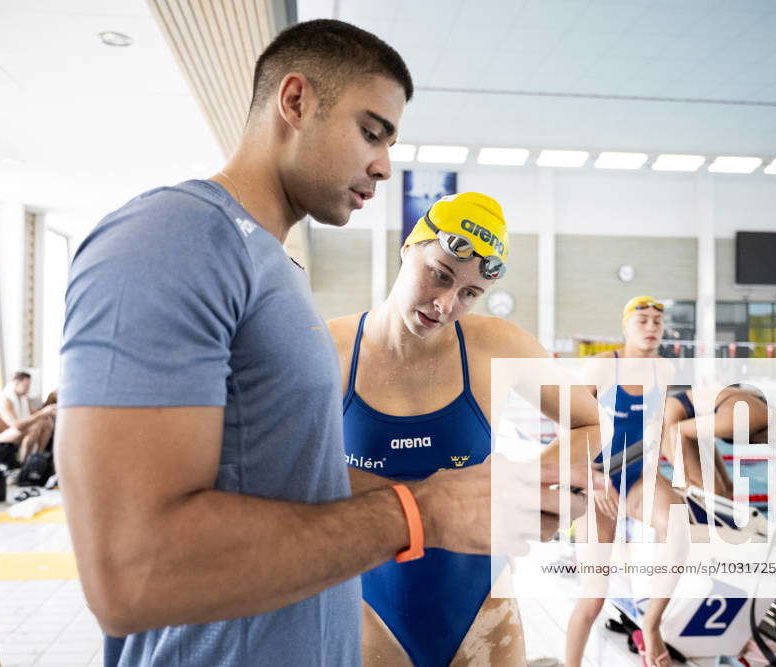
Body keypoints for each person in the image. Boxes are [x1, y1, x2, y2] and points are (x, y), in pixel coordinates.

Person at [56, 20, 560, 667]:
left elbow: (290, 483)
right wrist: (421, 511)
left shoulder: (276, 275)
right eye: (371, 131)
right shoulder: (171, 238)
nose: (383, 164)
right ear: (294, 101)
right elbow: (133, 572)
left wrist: (461, 492)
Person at [328, 192, 609, 666]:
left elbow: (587, 421)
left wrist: (522, 486)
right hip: (364, 605)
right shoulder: (329, 349)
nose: (445, 303)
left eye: (469, 294)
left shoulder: (493, 346)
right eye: (440, 274)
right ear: (408, 247)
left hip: (482, 605)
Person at [566, 296, 686, 667]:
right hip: (593, 479)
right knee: (593, 598)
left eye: (657, 322)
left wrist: (665, 478)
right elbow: (566, 430)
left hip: (636, 475)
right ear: (625, 327)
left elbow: (654, 433)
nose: (651, 327)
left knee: (679, 526)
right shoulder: (601, 368)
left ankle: (651, 625)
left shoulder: (664, 371)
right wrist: (589, 482)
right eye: (642, 320)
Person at [661, 385, 776, 519]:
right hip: (672, 417)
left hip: (694, 428)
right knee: (710, 493)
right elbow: (677, 430)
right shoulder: (747, 417)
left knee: (726, 492)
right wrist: (689, 483)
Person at [0, 371, 56, 464]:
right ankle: (23, 464)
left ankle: (38, 457)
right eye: (26, 386)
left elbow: (36, 414)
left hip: (13, 433)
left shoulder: (24, 399)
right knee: (35, 426)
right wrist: (43, 413)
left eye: (29, 386)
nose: (28, 389)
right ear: (16, 383)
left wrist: (50, 411)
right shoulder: (4, 399)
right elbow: (16, 425)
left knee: (46, 422)